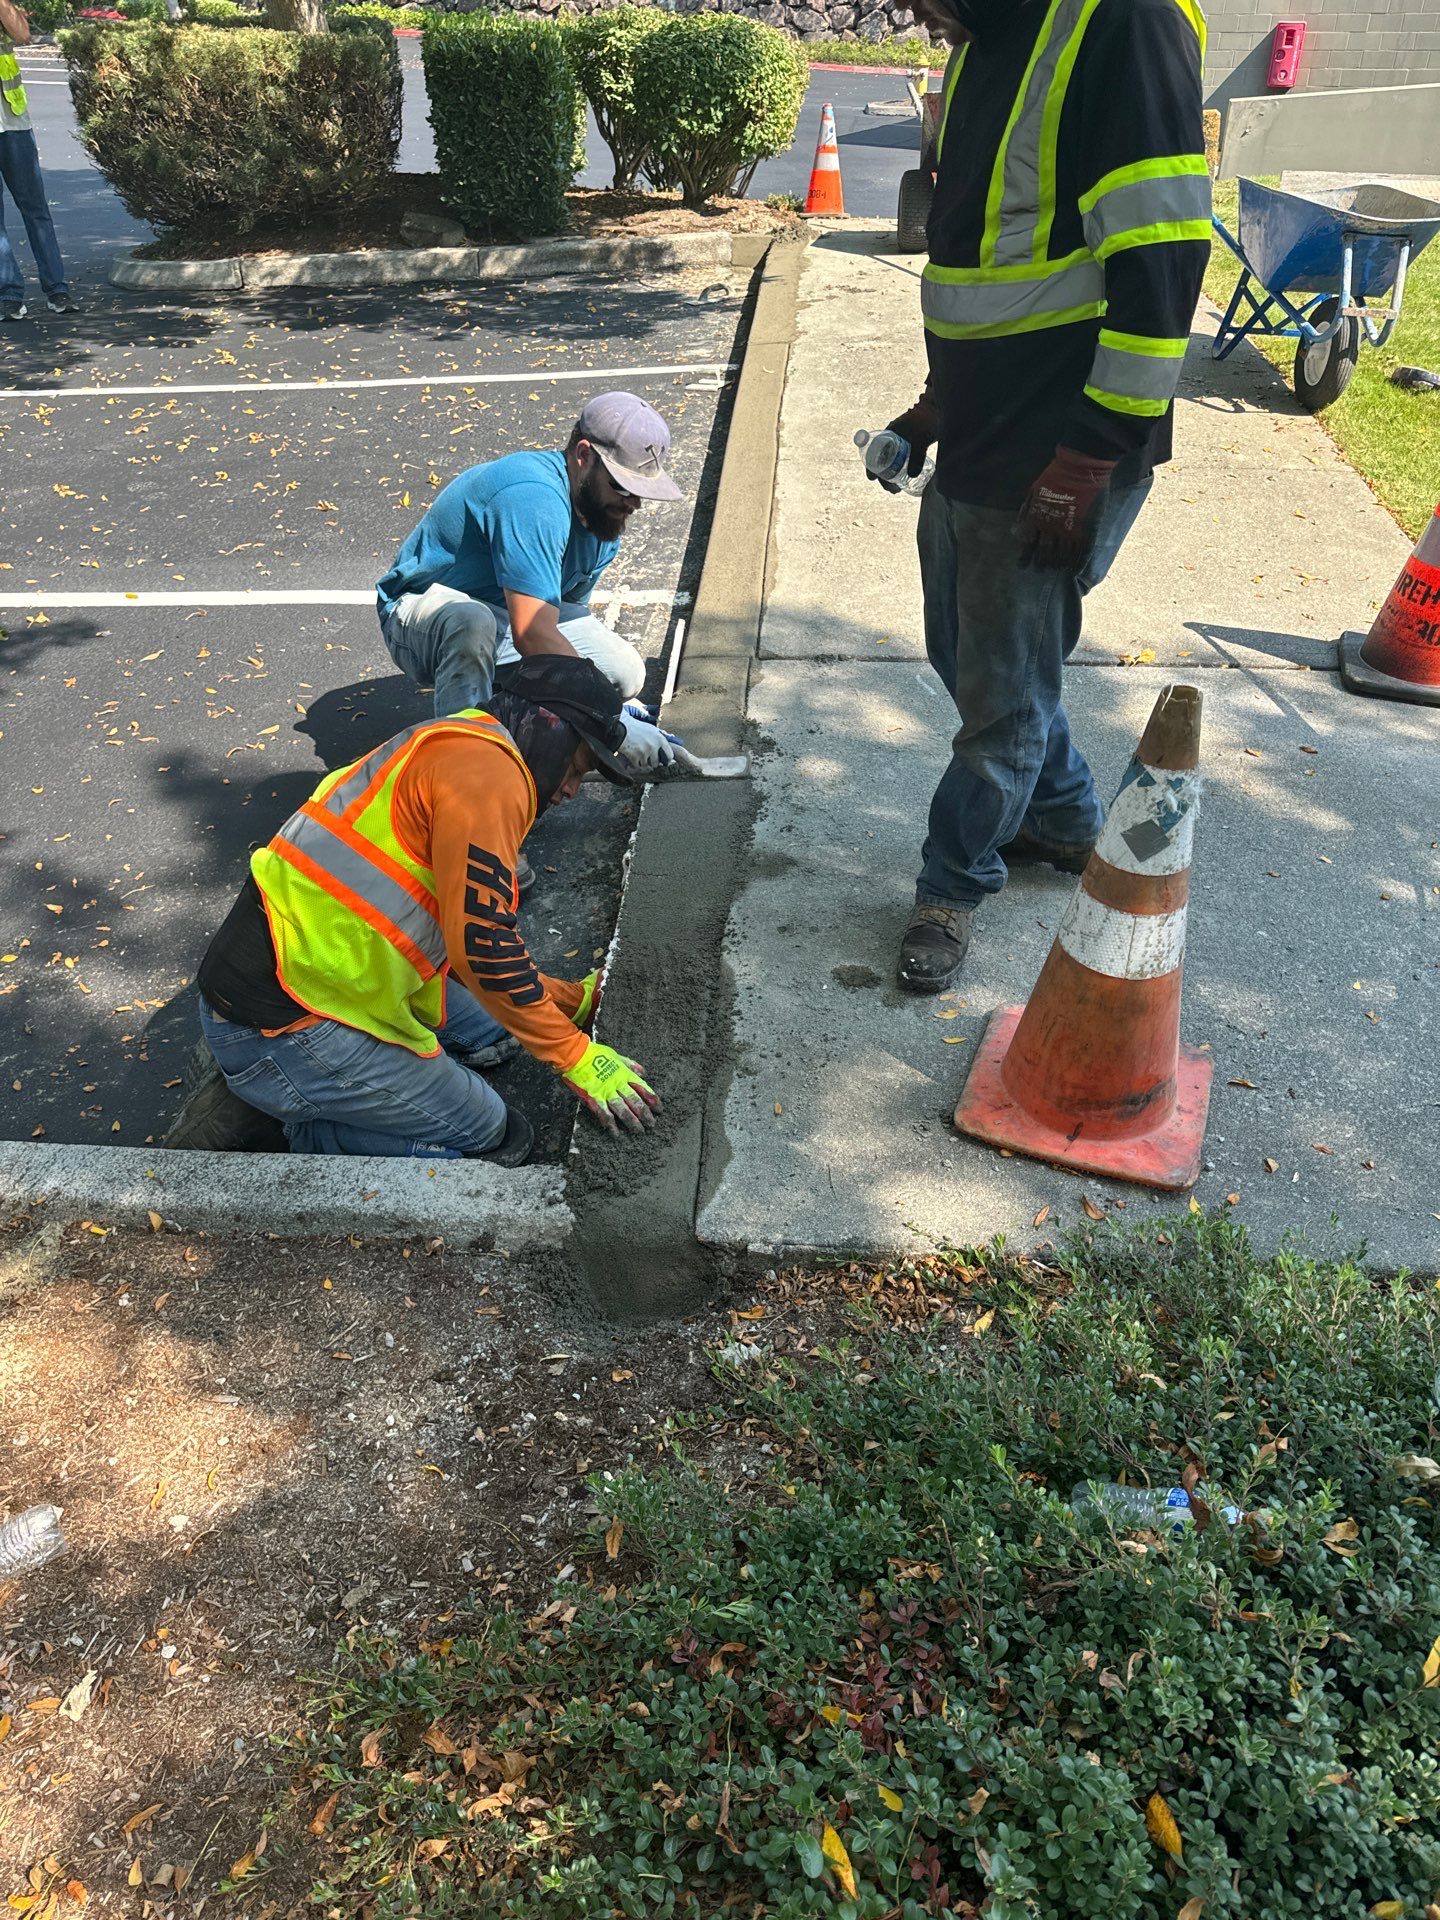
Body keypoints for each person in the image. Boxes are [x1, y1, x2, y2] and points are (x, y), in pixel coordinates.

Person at [883, 0, 1210, 993]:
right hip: (983, 427)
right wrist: (936, 405)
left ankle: (953, 882)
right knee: (973, 657)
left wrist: (1086, 460)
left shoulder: (1125, 21)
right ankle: (1065, 819)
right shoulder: (987, 40)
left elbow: (1163, 259)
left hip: (1054, 447)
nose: (911, 8)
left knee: (1001, 698)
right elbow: (986, 260)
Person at [194, 657, 662, 1165]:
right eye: (575, 768)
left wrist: (573, 1003)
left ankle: (293, 1086)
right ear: (549, 729)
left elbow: (457, 943)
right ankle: (292, 1125)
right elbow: (484, 946)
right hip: (280, 1018)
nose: (570, 790)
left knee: (495, 1031)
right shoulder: (489, 778)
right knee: (494, 1131)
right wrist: (575, 1056)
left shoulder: (460, 739)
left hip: (321, 970)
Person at [376, 389, 682, 777]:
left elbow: (558, 623)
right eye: (622, 486)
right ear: (583, 456)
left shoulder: (602, 519)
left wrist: (601, 705)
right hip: (420, 613)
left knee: (623, 672)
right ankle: (464, 769)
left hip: (507, 616)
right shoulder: (532, 497)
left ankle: (502, 707)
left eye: (641, 492)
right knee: (473, 623)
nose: (632, 503)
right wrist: (611, 720)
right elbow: (533, 634)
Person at [0, 0, 77, 321]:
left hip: (13, 123)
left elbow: (22, 35)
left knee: (35, 208)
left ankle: (57, 288)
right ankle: (8, 293)